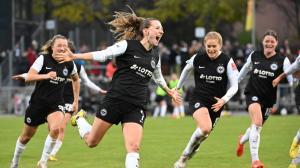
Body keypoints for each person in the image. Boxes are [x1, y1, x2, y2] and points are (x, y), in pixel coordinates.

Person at [55, 9, 181, 168]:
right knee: (92, 142)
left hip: (137, 105)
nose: (161, 31)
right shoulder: (127, 45)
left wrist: (169, 90)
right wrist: (75, 56)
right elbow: (103, 54)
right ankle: (80, 119)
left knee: (133, 148)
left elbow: (158, 76)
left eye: (162, 29)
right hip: (115, 101)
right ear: (146, 31)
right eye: (157, 28)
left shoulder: (156, 56)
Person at [12, 61, 107, 162]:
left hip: (68, 102)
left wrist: (98, 90)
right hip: (57, 99)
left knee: (61, 127)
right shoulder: (53, 63)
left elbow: (86, 81)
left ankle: (52, 154)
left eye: (66, 49)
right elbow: (35, 73)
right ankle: (77, 120)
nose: (63, 51)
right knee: (52, 129)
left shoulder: (77, 67)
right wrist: (24, 75)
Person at [10, 34, 80, 168]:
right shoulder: (43, 59)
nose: (62, 48)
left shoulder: (70, 64)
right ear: (52, 47)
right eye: (59, 45)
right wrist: (46, 76)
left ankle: (43, 162)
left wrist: (75, 101)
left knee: (56, 129)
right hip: (38, 104)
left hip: (56, 104)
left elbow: (76, 80)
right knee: (25, 137)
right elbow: (30, 77)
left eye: (65, 46)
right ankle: (15, 162)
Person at [173, 31, 239, 168]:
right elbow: (186, 70)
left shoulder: (227, 61)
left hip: (217, 104)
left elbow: (235, 86)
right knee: (205, 127)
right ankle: (183, 157)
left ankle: (193, 148)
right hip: (199, 98)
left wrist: (224, 100)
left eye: (214, 46)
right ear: (204, 45)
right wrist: (178, 88)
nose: (211, 49)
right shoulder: (198, 58)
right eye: (208, 46)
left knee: (204, 134)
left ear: (220, 46)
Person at [236, 29, 293, 168]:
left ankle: (242, 140)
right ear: (263, 42)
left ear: (276, 43)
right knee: (257, 122)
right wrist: (234, 84)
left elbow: (291, 78)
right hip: (252, 93)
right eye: (267, 41)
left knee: (256, 128)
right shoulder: (255, 55)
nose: (269, 43)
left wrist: (294, 85)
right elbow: (244, 70)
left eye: (272, 41)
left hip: (268, 99)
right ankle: (255, 161)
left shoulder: (282, 60)